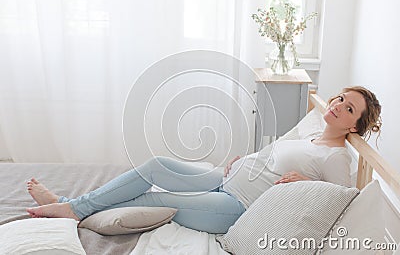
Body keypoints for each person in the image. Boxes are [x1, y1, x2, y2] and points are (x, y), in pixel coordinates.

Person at [26, 86, 382, 234]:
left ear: (356, 124)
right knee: (156, 166)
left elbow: (340, 200)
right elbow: (274, 158)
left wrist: (306, 184)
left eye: (348, 108)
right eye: (339, 99)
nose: (336, 106)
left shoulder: (339, 157)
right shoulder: (312, 136)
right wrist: (247, 159)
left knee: (153, 199)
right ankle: (71, 206)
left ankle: (70, 209)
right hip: (221, 179)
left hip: (234, 206)